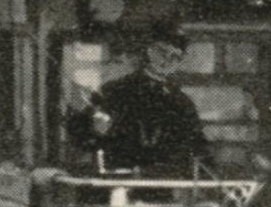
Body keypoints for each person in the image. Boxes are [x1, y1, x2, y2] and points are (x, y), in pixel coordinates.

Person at [69, 28, 213, 176]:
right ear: (150, 50)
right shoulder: (116, 90)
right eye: (162, 52)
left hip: (161, 185)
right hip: (118, 180)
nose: (167, 60)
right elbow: (79, 133)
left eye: (175, 57)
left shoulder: (181, 103)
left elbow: (198, 146)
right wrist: (95, 129)